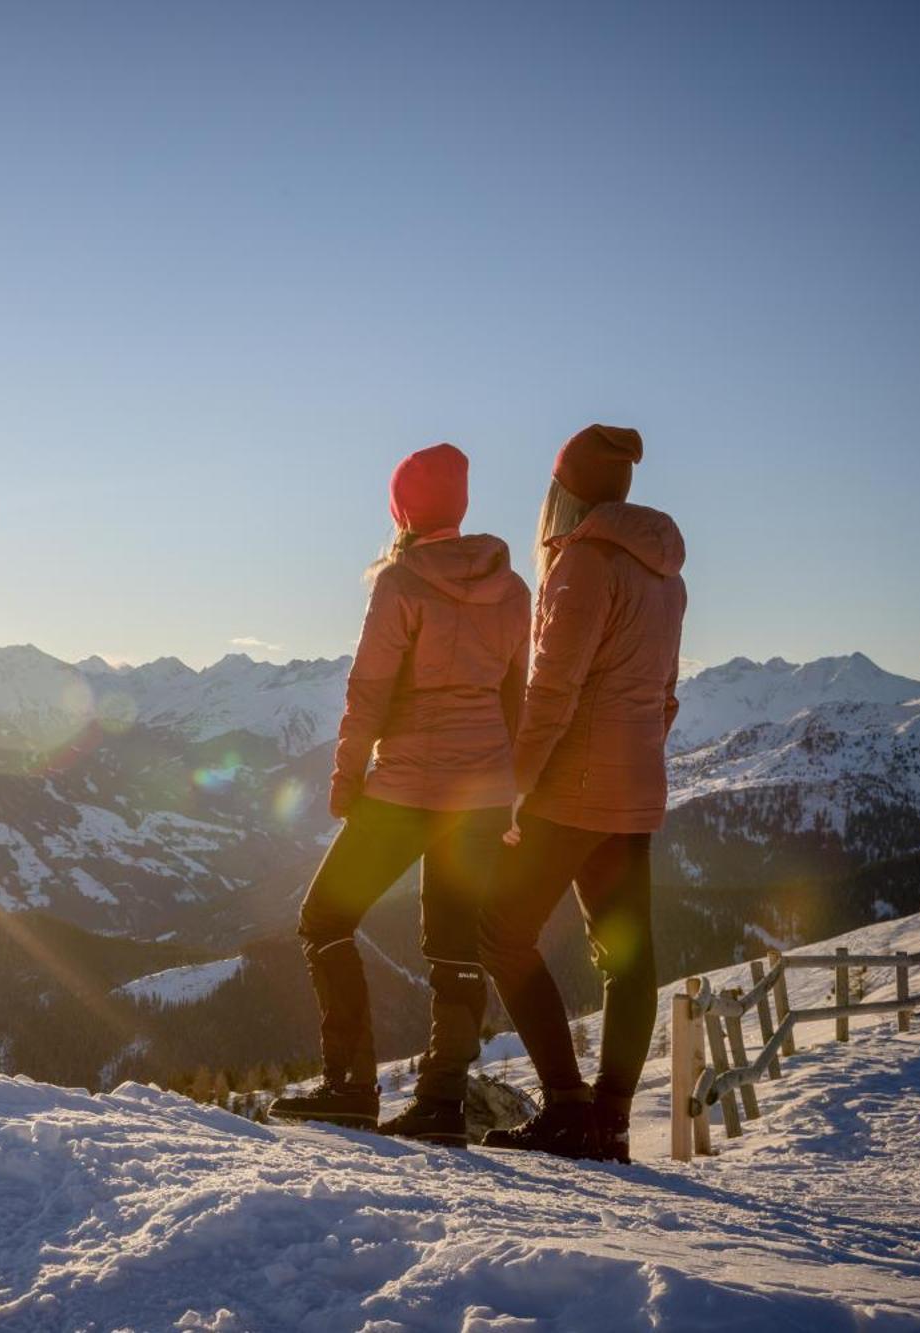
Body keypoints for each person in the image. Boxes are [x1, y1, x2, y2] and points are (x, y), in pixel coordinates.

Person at [269, 443, 530, 1146]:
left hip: (407, 785)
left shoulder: (401, 581)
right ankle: (441, 1102)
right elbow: (517, 698)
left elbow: (370, 690)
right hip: (481, 791)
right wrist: (514, 796)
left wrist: (346, 777)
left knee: (325, 918)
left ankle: (350, 1086)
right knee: (454, 944)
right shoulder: (512, 588)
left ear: (403, 510)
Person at [478, 424, 687, 1164]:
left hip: (574, 786)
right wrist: (637, 763)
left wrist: (518, 786)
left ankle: (568, 1108)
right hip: (635, 787)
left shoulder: (581, 565)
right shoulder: (666, 573)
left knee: (500, 932)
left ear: (563, 495)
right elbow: (664, 696)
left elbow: (552, 692)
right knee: (627, 958)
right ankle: (612, 1124)